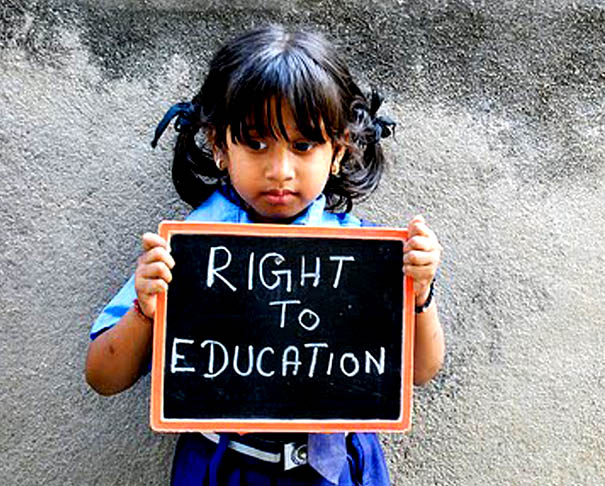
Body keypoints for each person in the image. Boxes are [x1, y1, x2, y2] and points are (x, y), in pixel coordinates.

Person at [84, 25, 445, 486]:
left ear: (337, 151)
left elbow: (421, 370)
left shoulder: (364, 254)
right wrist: (145, 310)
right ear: (220, 145)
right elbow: (103, 375)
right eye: (256, 144)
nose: (280, 170)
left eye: (303, 145)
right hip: (223, 469)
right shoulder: (189, 250)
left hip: (339, 469)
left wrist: (420, 293)